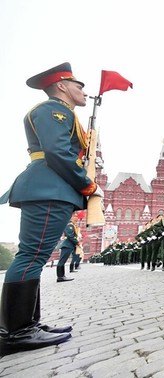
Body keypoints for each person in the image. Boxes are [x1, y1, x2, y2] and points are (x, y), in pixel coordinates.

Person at [0, 63, 104, 355]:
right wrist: (88, 184)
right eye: (78, 86)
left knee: (34, 256)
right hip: (49, 186)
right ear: (61, 86)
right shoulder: (53, 111)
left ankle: (27, 324)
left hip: (50, 186)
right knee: (31, 256)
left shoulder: (62, 112)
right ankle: (16, 333)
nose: (83, 91)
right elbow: (58, 152)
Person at [57, 212, 81, 282]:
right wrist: (77, 242)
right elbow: (70, 236)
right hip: (67, 245)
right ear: (71, 217)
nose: (76, 218)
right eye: (75, 216)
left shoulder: (73, 225)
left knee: (62, 261)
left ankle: (62, 276)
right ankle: (60, 276)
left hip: (68, 245)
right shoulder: (69, 225)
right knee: (62, 261)